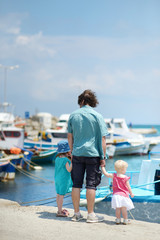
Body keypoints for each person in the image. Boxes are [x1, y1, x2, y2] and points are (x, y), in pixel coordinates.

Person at [68, 89, 108, 223]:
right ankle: (91, 215)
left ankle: (76, 213)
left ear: (82, 101)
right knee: (91, 185)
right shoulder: (98, 116)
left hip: (77, 153)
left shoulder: (73, 115)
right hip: (93, 155)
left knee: (76, 184)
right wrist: (103, 157)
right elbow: (103, 139)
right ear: (92, 102)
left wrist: (72, 152)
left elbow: (70, 136)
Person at [101, 159, 134, 225]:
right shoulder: (125, 178)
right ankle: (125, 220)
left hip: (116, 195)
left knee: (118, 208)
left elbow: (106, 174)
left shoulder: (114, 176)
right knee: (124, 208)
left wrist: (102, 167)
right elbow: (128, 187)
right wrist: (131, 193)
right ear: (122, 169)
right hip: (124, 195)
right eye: (125, 169)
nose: (125, 170)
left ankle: (118, 220)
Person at [54, 140, 72, 217]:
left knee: (58, 194)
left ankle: (59, 209)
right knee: (61, 195)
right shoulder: (66, 160)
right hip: (63, 179)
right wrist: (73, 161)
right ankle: (59, 212)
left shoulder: (57, 158)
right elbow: (69, 169)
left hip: (57, 178)